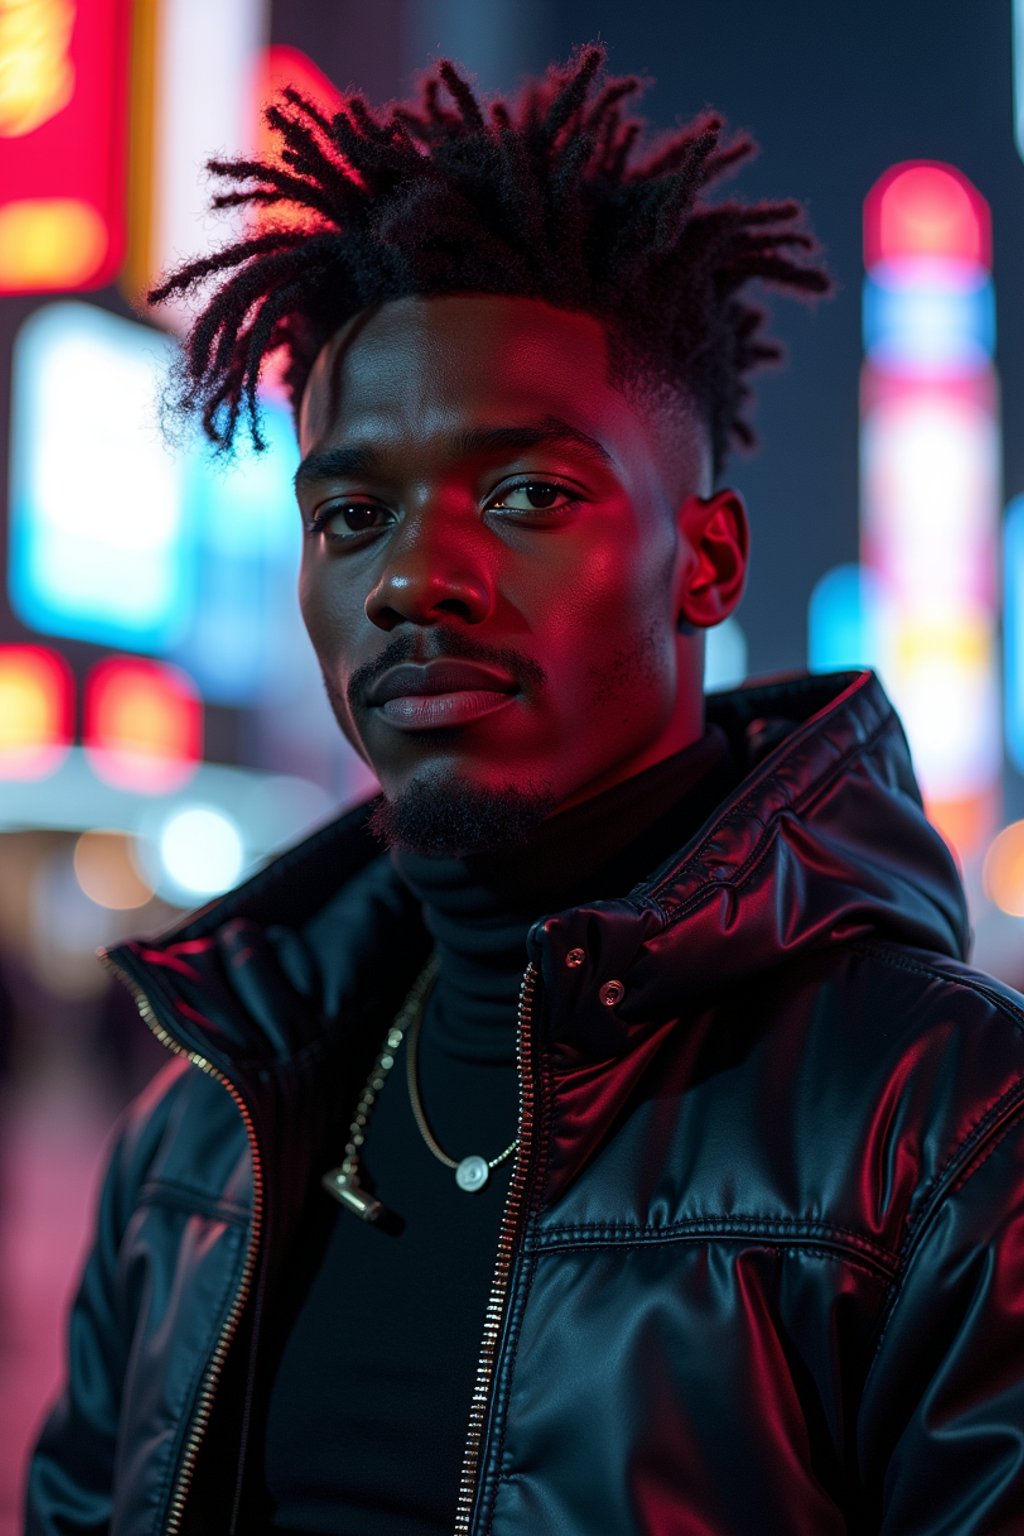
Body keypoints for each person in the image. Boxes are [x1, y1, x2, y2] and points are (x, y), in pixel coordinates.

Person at [26, 44, 1024, 1536]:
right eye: (353, 514)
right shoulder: (196, 1143)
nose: (416, 579)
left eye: (529, 495)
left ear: (709, 561)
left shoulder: (942, 1125)